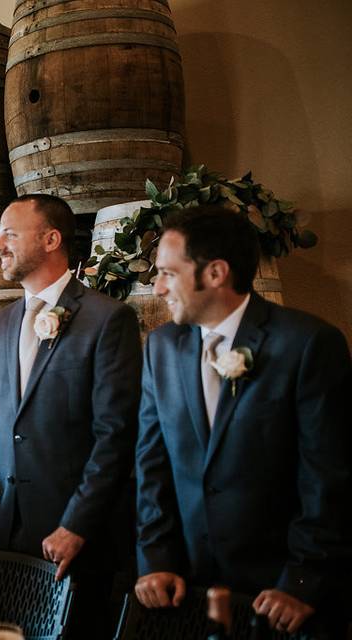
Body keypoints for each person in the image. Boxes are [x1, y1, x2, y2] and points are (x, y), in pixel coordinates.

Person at [134, 206, 352, 637]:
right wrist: (156, 562)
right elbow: (150, 464)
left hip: (283, 599)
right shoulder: (161, 347)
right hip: (187, 593)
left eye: (168, 273)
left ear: (215, 273)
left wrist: (302, 582)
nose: (157, 287)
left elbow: (329, 478)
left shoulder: (307, 345)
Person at [0, 195, 141, 637]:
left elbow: (116, 436)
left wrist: (76, 525)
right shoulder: (1, 323)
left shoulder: (108, 320)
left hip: (76, 541)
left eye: (10, 233)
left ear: (51, 239)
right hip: (7, 530)